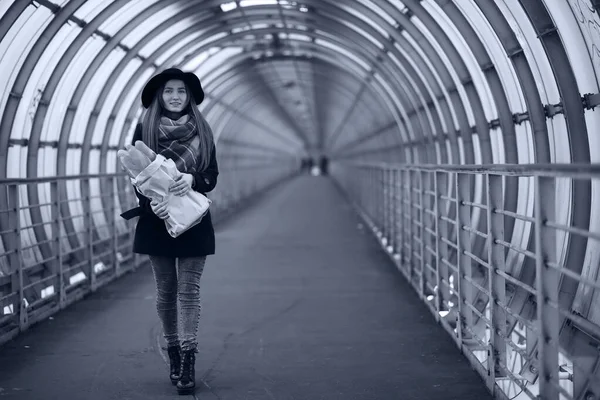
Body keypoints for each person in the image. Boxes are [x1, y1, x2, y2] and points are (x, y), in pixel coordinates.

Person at [120, 68, 218, 395]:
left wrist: (193, 179)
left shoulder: (202, 131)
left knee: (188, 290)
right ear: (159, 98)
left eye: (181, 91)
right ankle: (173, 351)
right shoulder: (143, 131)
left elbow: (211, 176)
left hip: (193, 221)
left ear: (189, 96)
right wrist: (153, 207)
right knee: (166, 291)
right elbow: (138, 179)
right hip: (156, 223)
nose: (175, 96)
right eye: (168, 91)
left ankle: (189, 359)